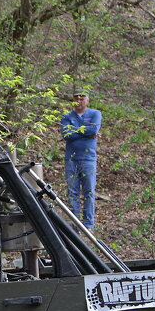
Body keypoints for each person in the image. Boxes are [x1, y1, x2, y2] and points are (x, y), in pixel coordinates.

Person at [59, 91, 101, 230]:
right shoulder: (67, 117)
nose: (79, 101)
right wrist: (86, 133)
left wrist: (77, 131)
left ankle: (88, 224)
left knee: (89, 191)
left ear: (87, 101)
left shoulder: (95, 114)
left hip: (88, 158)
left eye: (82, 98)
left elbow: (93, 130)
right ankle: (74, 223)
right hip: (71, 159)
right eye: (76, 98)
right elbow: (66, 134)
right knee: (73, 192)